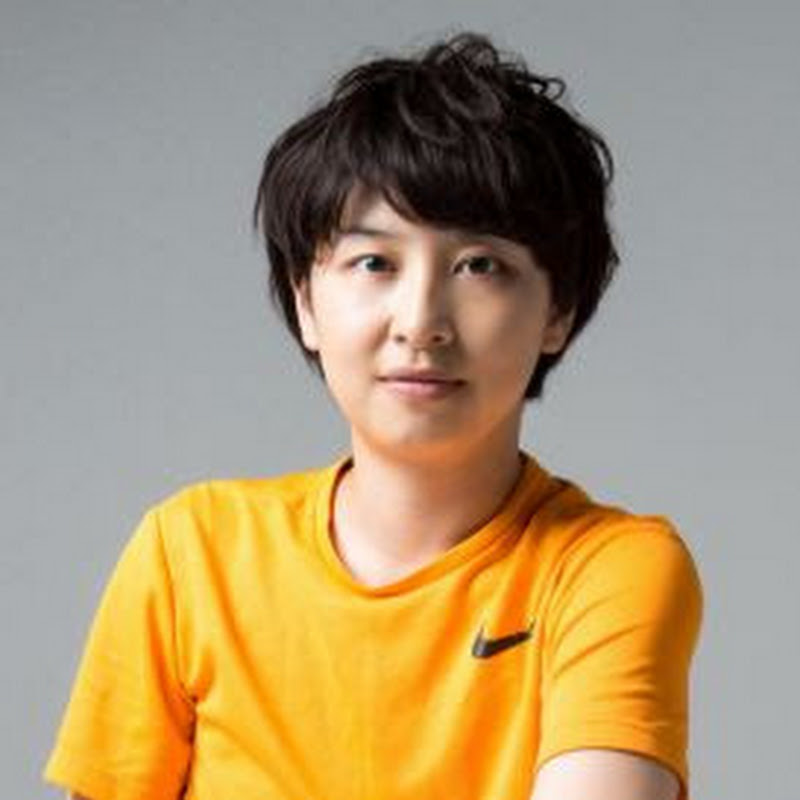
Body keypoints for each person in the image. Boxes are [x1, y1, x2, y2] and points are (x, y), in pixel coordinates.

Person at [43, 31, 703, 800]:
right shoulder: (191, 554)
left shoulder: (608, 569)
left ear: (557, 310)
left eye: (480, 265)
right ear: (306, 302)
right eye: (374, 262)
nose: (420, 321)